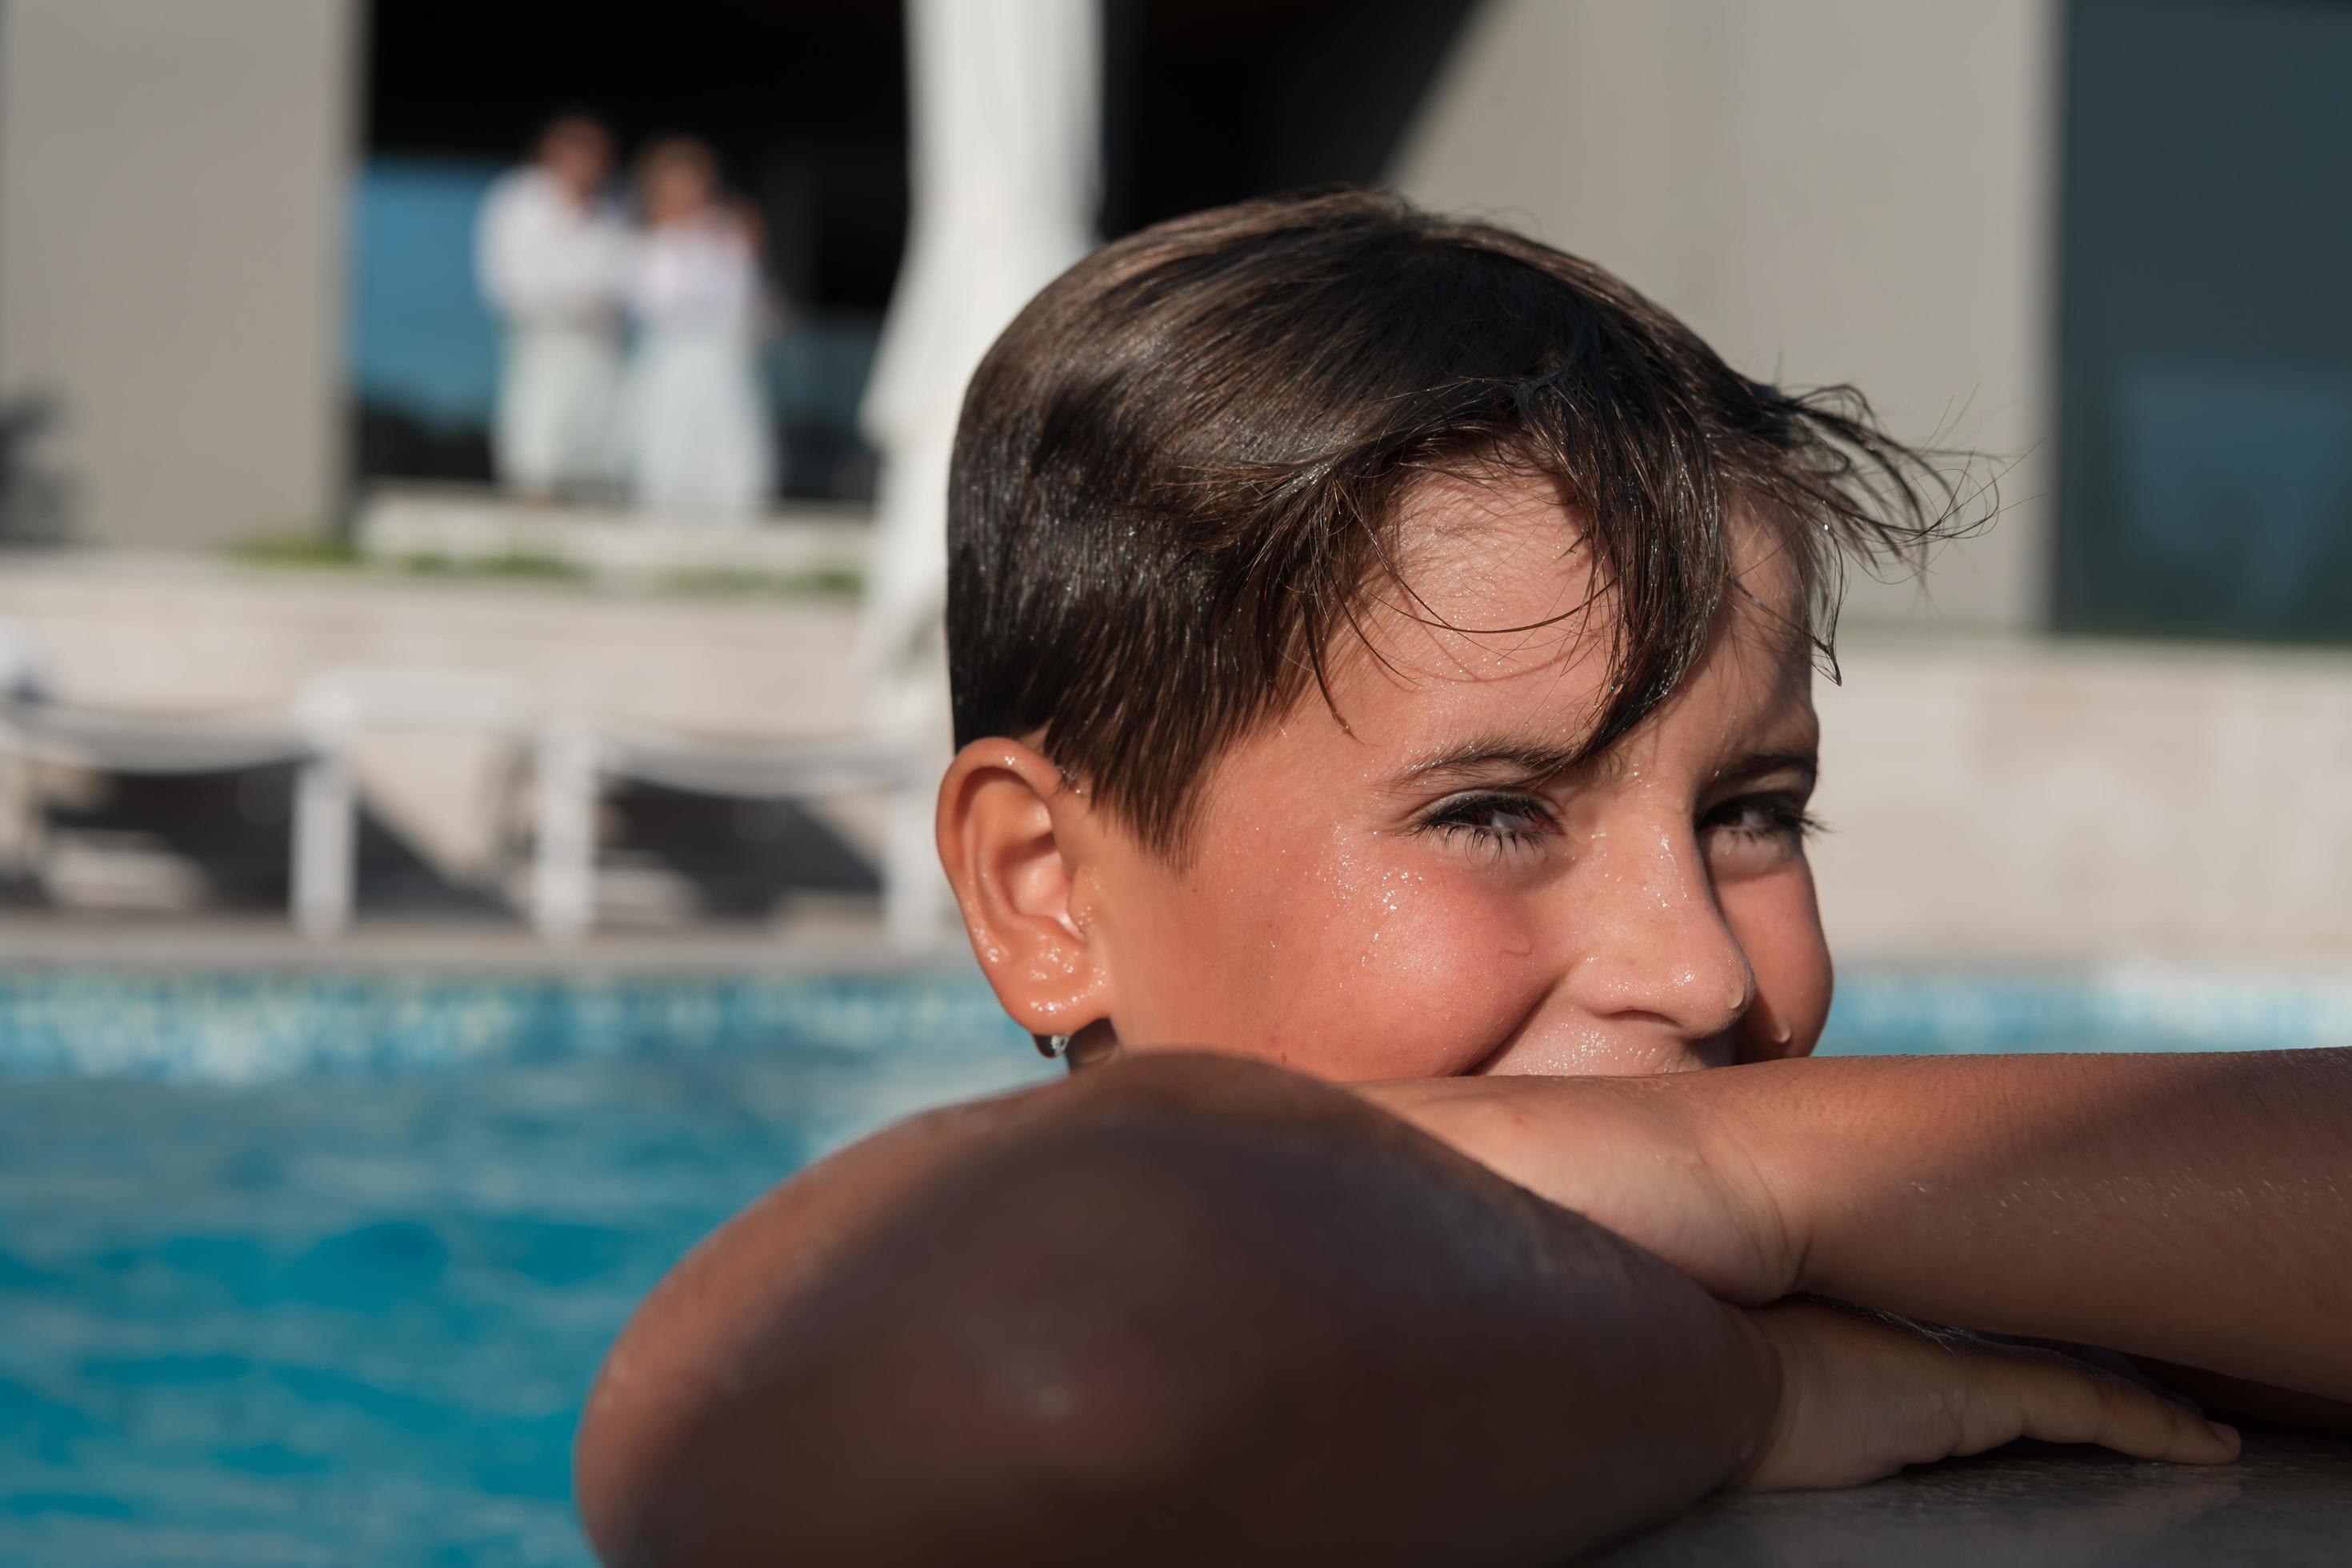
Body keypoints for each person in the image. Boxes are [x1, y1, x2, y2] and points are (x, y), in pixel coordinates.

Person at [574, 192, 2352, 1564]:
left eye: (1755, 809)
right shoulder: (987, 1321)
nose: (1701, 973)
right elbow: (1035, 1347)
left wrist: (1735, 1177)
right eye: (1498, 812)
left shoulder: (1841, 1268)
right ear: (1048, 887)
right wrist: (1753, 1372)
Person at [622, 138, 777, 521]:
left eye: (695, 180)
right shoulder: (643, 244)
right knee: (668, 457)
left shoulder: (731, 238)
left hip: (726, 368)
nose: (688, 191)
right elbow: (656, 301)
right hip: (672, 370)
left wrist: (746, 251)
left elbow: (757, 312)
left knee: (731, 462)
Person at [476, 114, 630, 498]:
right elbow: (511, 284)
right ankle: (532, 505)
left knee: (596, 437)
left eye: (595, 157)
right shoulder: (519, 201)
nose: (586, 167)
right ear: (551, 155)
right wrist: (577, 303)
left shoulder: (613, 210)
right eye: (576, 155)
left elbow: (628, 282)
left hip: (601, 348)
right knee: (538, 425)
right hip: (542, 340)